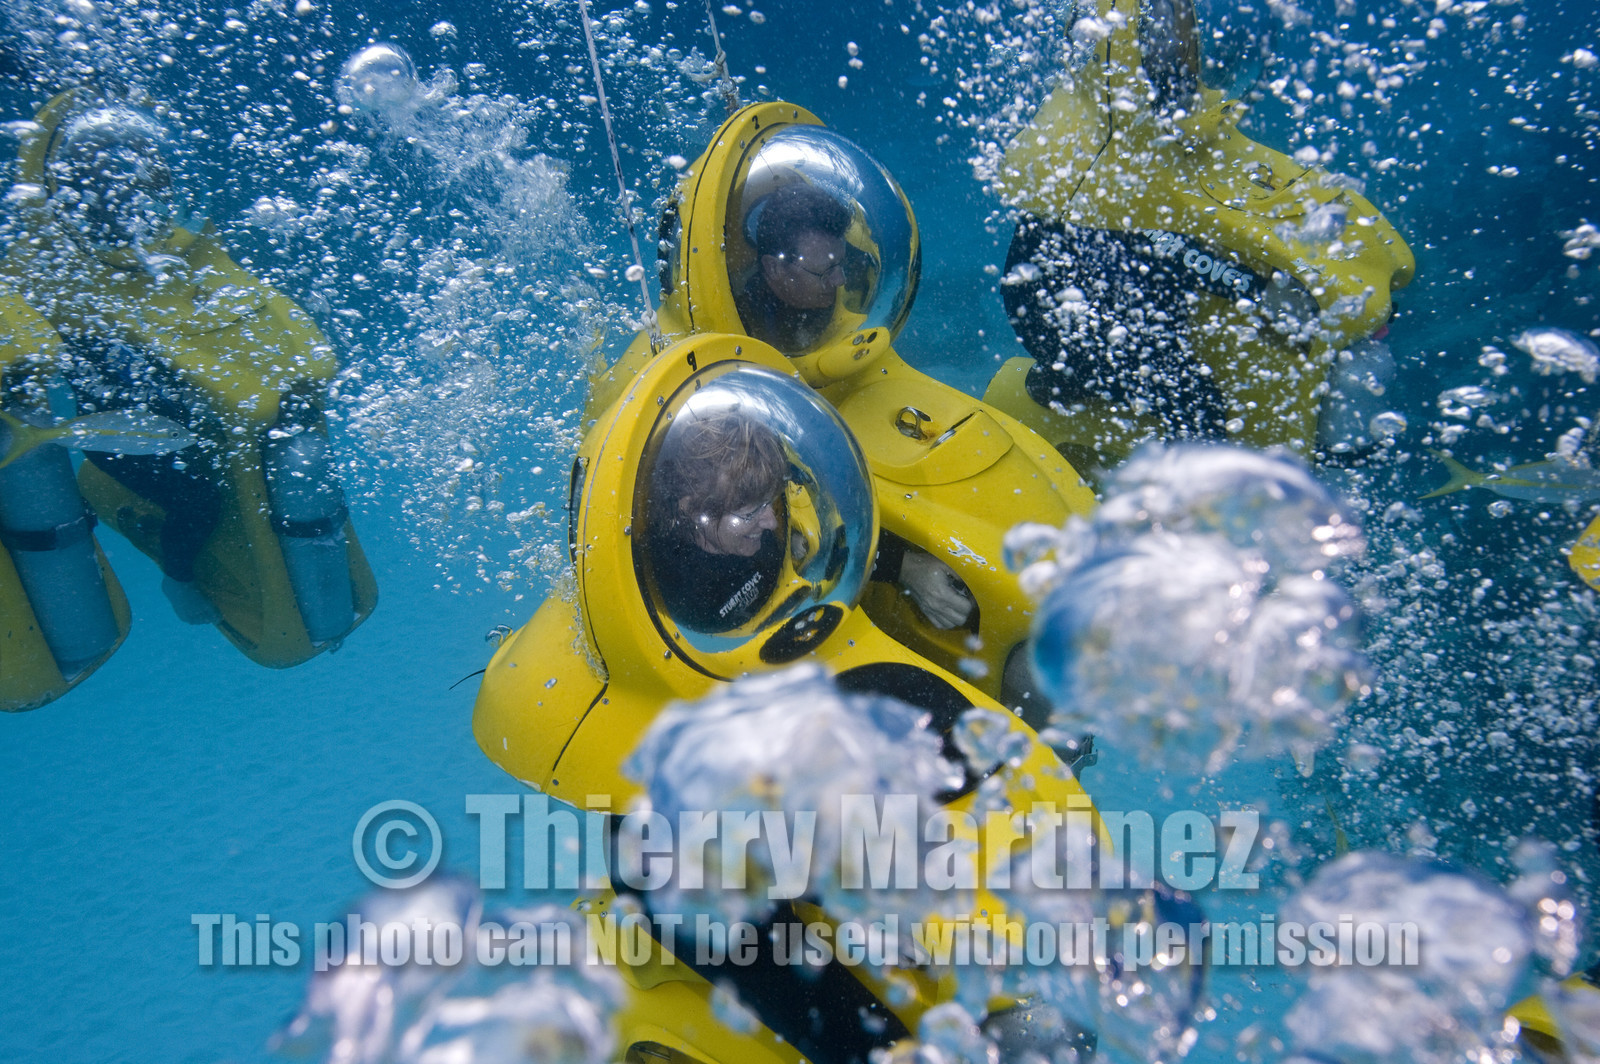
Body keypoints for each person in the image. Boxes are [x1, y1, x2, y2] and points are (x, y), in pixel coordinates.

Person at [2, 86, 377, 663]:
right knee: (200, 498)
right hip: (117, 443)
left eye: (145, 180)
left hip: (175, 431)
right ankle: (178, 582)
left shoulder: (179, 254)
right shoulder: (50, 263)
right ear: (75, 192)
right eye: (111, 185)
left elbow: (255, 307)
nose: (134, 198)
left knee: (245, 473)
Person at [647, 407, 976, 634]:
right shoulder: (667, 589)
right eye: (750, 513)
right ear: (692, 510)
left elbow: (829, 526)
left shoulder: (758, 500)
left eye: (771, 501)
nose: (772, 522)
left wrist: (906, 567)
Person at [737, 183, 852, 354]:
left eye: (841, 263)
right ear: (775, 268)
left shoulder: (861, 271)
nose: (840, 280)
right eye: (826, 272)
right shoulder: (743, 321)